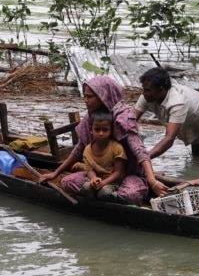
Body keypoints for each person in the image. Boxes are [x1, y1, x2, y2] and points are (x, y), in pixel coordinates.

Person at [38, 76, 169, 200]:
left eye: (90, 97)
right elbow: (79, 149)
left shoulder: (123, 118)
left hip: (126, 175)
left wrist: (152, 181)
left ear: (103, 96)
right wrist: (55, 173)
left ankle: (106, 195)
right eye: (85, 96)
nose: (85, 100)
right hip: (97, 174)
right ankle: (101, 195)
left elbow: (140, 152)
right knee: (66, 182)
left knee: (130, 194)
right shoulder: (91, 118)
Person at [135, 66, 199, 158]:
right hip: (196, 128)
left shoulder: (177, 102)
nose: (143, 93)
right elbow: (130, 121)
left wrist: (144, 158)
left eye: (148, 90)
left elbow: (169, 139)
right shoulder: (146, 96)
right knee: (198, 160)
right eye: (143, 89)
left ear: (161, 89)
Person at [60, 111, 126, 200]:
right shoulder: (87, 149)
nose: (101, 133)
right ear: (91, 130)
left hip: (112, 181)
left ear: (111, 131)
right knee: (87, 189)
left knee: (104, 193)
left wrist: (104, 183)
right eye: (97, 130)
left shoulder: (117, 148)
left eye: (105, 130)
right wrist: (94, 178)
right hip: (94, 179)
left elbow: (118, 172)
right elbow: (89, 169)